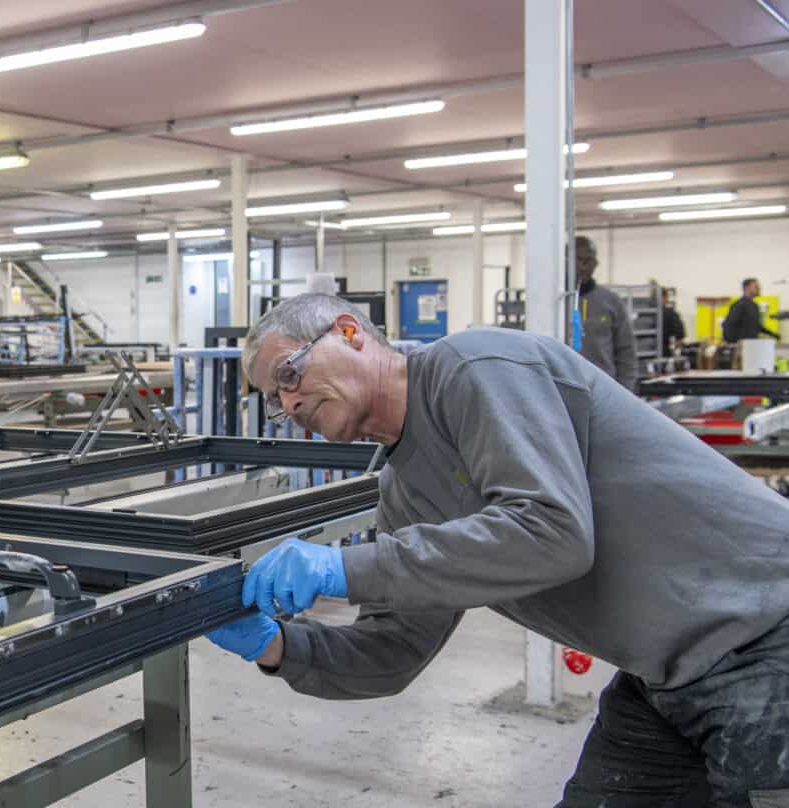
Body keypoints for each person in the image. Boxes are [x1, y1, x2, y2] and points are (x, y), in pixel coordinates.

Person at [206, 293, 789, 807]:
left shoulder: (476, 367)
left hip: (766, 634)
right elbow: (396, 650)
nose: (289, 403)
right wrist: (277, 645)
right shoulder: (404, 494)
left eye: (288, 373)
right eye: (274, 399)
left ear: (350, 332)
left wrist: (343, 567)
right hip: (666, 671)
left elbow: (551, 533)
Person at [573, 236, 638, 391]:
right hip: (561, 390)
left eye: (588, 260)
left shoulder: (611, 302)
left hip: (603, 390)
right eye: (578, 259)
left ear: (596, 263)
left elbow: (626, 350)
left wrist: (625, 392)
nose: (583, 267)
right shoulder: (553, 304)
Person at [719, 277, 777, 342]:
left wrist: (772, 334)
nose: (759, 288)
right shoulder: (740, 305)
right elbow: (728, 324)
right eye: (756, 287)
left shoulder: (754, 306)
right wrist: (732, 343)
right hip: (741, 345)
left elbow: (756, 326)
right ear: (747, 288)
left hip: (751, 344)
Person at [661, 287, 686, 355]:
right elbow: (680, 336)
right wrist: (674, 350)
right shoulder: (670, 313)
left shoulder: (644, 313)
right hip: (662, 354)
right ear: (665, 297)